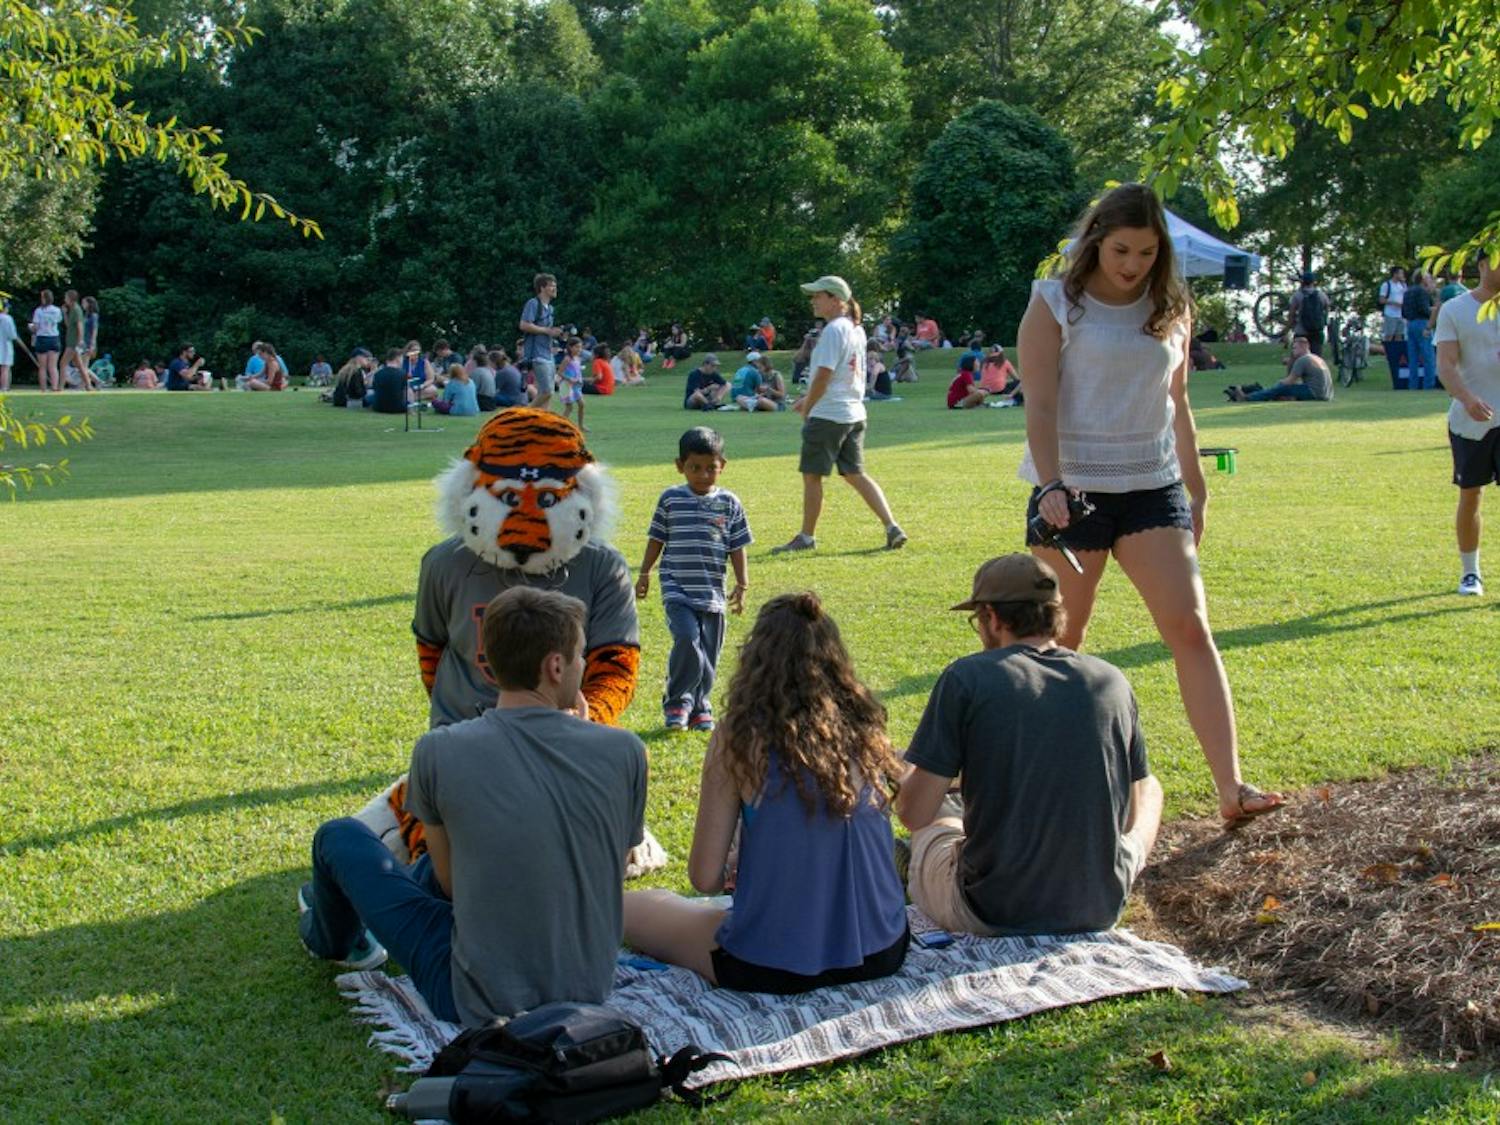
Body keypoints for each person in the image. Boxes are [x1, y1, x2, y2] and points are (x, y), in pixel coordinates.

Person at [1016, 182, 1282, 827]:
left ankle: (1232, 787)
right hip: (1072, 490)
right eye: (1120, 249)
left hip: (1151, 485)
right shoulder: (1055, 303)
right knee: (1060, 641)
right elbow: (1042, 404)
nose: (1131, 263)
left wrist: (1197, 485)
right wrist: (1052, 484)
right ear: (1095, 242)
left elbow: (1178, 401)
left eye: (1145, 251)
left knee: (1190, 627)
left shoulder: (1171, 305)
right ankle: (1031, 784)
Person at [300, 586, 648, 1026]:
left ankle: (330, 938)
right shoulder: (625, 751)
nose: (584, 666)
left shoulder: (438, 751)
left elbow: (451, 886)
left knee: (339, 836)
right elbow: (605, 873)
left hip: (472, 995)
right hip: (589, 984)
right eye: (582, 656)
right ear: (556, 667)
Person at [622, 592, 909, 993]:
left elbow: (704, 878)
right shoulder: (865, 728)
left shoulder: (738, 738)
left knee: (632, 907)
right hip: (883, 951)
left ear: (754, 659)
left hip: (770, 965)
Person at [896, 554, 1164, 935]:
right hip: (1099, 906)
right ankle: (1127, 864)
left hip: (991, 910)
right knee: (1151, 786)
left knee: (936, 819)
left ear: (992, 616)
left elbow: (913, 812)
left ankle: (914, 866)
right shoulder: (1111, 679)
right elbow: (1131, 811)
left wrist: (900, 769)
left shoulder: (967, 678)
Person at [773, 276, 907, 553]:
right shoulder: (855, 329)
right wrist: (806, 398)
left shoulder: (834, 330)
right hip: (853, 413)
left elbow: (824, 374)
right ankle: (892, 527)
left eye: (817, 296)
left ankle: (806, 538)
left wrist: (809, 408)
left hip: (829, 415)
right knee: (855, 473)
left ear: (835, 300)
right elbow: (839, 377)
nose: (813, 301)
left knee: (812, 476)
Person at [634, 427, 752, 731]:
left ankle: (701, 705)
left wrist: (742, 583)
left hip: (713, 591)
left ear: (722, 465)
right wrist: (645, 572)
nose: (702, 475)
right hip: (677, 588)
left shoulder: (729, 503)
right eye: (694, 468)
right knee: (687, 640)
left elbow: (737, 546)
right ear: (680, 466)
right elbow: (656, 538)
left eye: (710, 468)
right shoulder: (671, 499)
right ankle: (677, 703)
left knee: (709, 653)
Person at [1435, 251, 1500, 597]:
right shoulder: (1455, 309)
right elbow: (1445, 365)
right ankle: (1470, 573)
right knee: (1471, 494)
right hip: (1471, 420)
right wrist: (1467, 398)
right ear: (1482, 265)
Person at [1228, 334, 1331, 401]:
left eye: (1295, 348)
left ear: (1304, 347)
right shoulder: (1317, 358)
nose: (1293, 351)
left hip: (1314, 393)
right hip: (1326, 394)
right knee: (1282, 390)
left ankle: (1247, 397)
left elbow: (1289, 381)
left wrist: (1277, 386)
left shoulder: (1303, 360)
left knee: (1280, 388)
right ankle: (1259, 391)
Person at [520, 273, 563, 411]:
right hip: (537, 354)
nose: (555, 288)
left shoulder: (550, 308)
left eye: (555, 285)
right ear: (542, 288)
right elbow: (524, 325)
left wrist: (555, 332)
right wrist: (547, 331)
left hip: (548, 353)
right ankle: (521, 414)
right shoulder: (533, 304)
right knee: (547, 391)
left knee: (547, 395)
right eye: (551, 285)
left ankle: (542, 424)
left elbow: (546, 331)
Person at [1403, 271, 1439, 390]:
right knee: (1428, 357)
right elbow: (1425, 310)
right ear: (1423, 279)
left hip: (1410, 324)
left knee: (1413, 358)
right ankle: (1428, 385)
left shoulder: (1407, 292)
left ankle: (1412, 385)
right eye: (1428, 278)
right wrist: (1434, 310)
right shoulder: (1422, 292)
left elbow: (1403, 311)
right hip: (1422, 323)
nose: (1430, 280)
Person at [1288, 271, 1330, 356]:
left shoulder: (1297, 295)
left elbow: (1291, 313)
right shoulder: (1321, 295)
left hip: (1301, 331)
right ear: (1313, 282)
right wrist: (1324, 322)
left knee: (1297, 360)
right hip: (1317, 332)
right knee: (1316, 360)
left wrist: (1291, 327)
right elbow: (1327, 309)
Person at [30, 289, 63, 392]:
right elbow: (58, 320)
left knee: (42, 367)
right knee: (53, 366)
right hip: (53, 337)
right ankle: (54, 387)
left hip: (42, 337)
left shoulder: (39, 311)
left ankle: (43, 388)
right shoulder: (57, 310)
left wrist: (31, 328)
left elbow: (36, 327)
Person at [368, 347, 409, 413]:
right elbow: (406, 393)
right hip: (398, 408)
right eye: (402, 358)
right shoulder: (402, 374)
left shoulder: (378, 374)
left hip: (378, 407)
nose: (402, 361)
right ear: (397, 358)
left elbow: (374, 389)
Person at [558, 336, 586, 429]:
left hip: (576, 386)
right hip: (566, 386)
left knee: (582, 404)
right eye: (577, 347)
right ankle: (560, 426)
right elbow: (559, 372)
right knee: (569, 407)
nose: (579, 349)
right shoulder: (567, 359)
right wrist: (569, 379)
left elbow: (578, 372)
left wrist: (580, 380)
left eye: (580, 347)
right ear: (570, 347)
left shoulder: (578, 359)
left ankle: (581, 425)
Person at [0, 299, 18, 392]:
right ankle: (4, 387)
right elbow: (12, 335)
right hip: (5, 346)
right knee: (5, 368)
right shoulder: (7, 319)